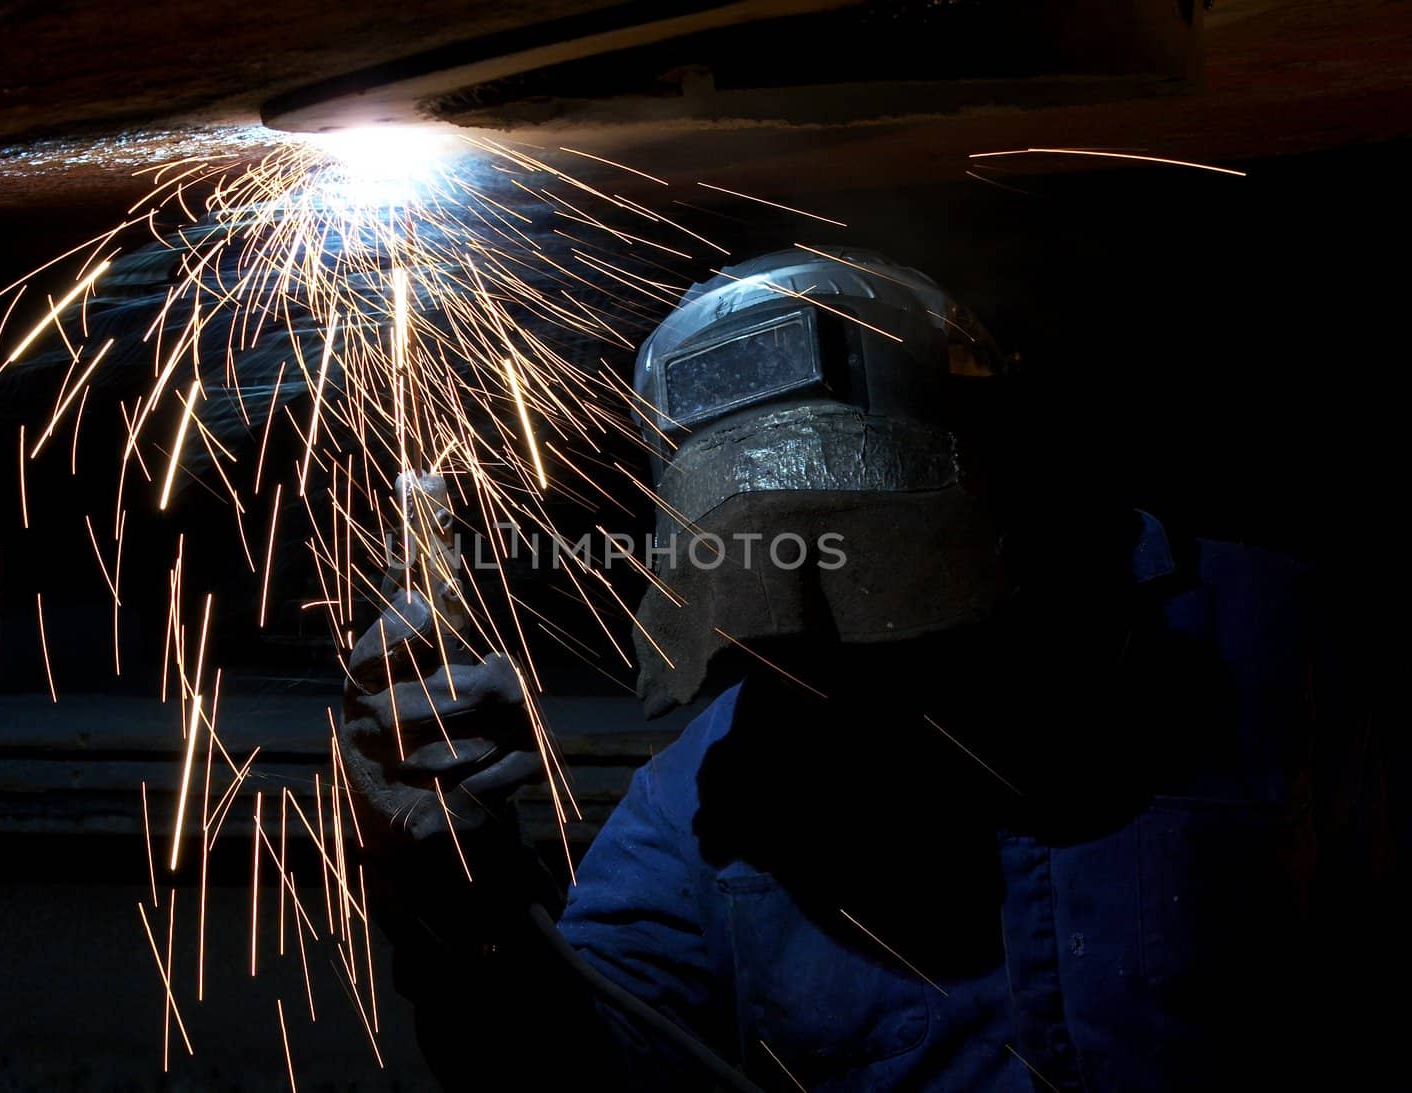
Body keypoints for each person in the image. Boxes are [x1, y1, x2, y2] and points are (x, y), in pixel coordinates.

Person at [340, 248, 1329, 1091]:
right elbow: (576, 1072)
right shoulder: (704, 798)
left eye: (886, 593)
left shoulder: (1294, 655)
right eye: (791, 621)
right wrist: (461, 910)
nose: (843, 669)